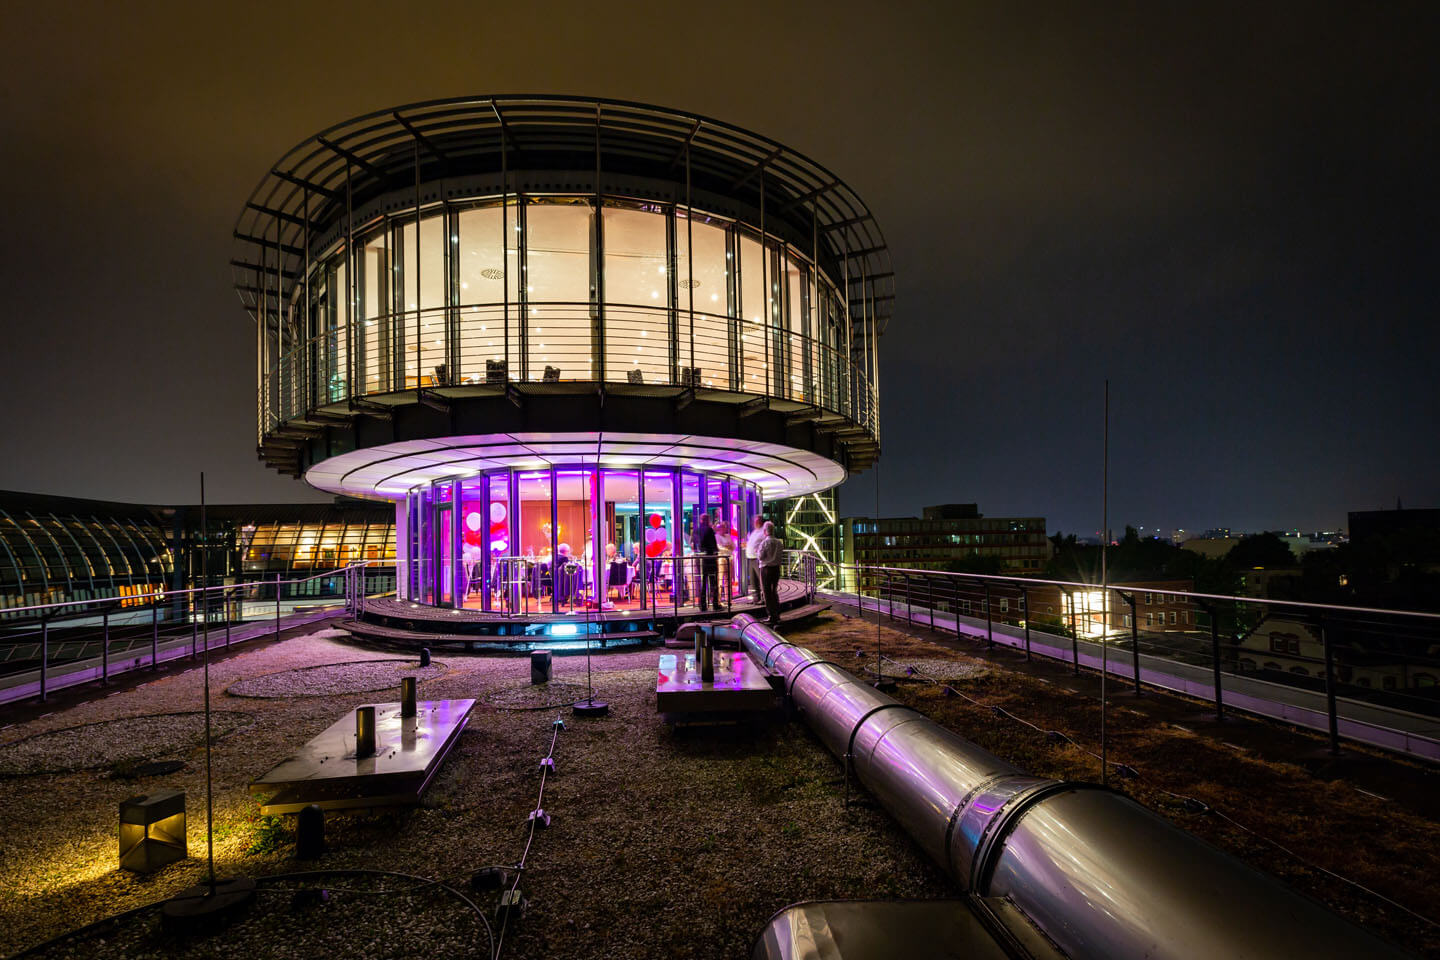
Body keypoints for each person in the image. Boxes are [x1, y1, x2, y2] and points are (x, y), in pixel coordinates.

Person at [756, 520, 785, 626]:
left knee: (767, 592)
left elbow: (761, 556)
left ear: (765, 531)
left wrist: (757, 552)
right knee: (774, 591)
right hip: (776, 568)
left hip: (766, 568)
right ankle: (777, 613)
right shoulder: (779, 542)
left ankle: (771, 615)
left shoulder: (764, 543)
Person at [690, 513, 719, 612]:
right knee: (713, 580)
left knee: (702, 582)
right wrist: (716, 552)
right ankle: (715, 604)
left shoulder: (696, 530)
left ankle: (702, 605)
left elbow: (692, 545)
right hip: (709, 558)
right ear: (707, 520)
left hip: (699, 558)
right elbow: (713, 545)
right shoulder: (709, 530)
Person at [745, 516, 767, 604]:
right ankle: (756, 598)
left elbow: (764, 543)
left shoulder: (763, 532)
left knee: (761, 580)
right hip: (751, 558)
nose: (754, 523)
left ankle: (764, 598)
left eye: (756, 521)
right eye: (754, 521)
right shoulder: (754, 532)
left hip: (758, 558)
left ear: (760, 521)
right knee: (753, 580)